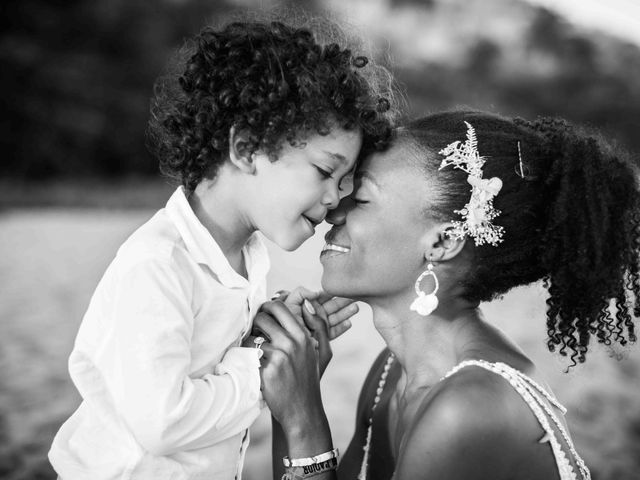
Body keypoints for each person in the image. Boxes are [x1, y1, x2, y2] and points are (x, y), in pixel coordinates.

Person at [48, 16, 395, 480]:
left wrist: (273, 334)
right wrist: (267, 367)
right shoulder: (157, 265)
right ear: (247, 148)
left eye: (345, 182)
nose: (335, 199)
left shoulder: (245, 255)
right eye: (323, 172)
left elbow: (209, 371)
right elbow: (163, 422)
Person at [247, 110, 640, 480]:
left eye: (362, 198)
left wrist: (303, 420)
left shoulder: (468, 409)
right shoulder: (392, 370)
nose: (333, 212)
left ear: (443, 241)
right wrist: (292, 387)